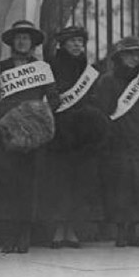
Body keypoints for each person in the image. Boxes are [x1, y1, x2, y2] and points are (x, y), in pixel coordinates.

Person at [0, 20, 59, 253]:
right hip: (6, 134)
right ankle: (7, 236)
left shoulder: (42, 68)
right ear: (12, 42)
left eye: (26, 38)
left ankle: (24, 235)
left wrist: (33, 118)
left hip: (32, 137)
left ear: (32, 43)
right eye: (18, 37)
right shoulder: (1, 67)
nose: (22, 41)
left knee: (29, 186)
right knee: (7, 185)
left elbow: (54, 99)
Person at [36, 26, 107, 249]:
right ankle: (58, 229)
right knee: (59, 183)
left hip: (82, 135)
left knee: (79, 183)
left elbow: (95, 98)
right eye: (73, 41)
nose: (77, 45)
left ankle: (72, 229)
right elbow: (48, 97)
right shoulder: (51, 66)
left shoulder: (88, 69)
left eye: (80, 41)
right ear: (62, 44)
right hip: (59, 133)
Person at [95, 36, 139, 247]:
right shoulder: (107, 81)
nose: (133, 58)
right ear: (119, 57)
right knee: (119, 187)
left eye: (136, 54)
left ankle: (133, 230)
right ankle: (120, 230)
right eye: (128, 54)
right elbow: (102, 111)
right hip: (116, 140)